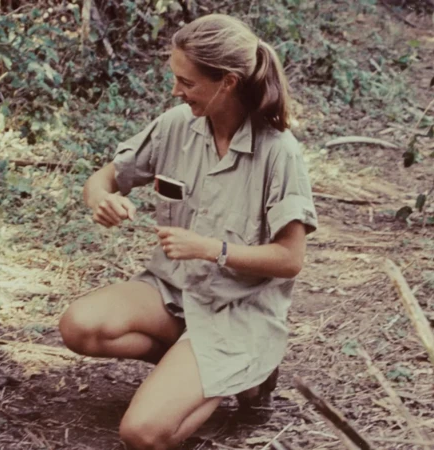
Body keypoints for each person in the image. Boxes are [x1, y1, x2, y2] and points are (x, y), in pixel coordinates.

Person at [58, 13, 318, 450]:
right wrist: (100, 199)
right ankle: (208, 372)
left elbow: (290, 259)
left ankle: (242, 371)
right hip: (173, 291)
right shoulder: (177, 124)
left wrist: (212, 249)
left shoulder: (279, 151)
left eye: (187, 82)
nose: (176, 91)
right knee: (79, 326)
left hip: (237, 311)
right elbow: (103, 179)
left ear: (227, 83)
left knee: (143, 434)